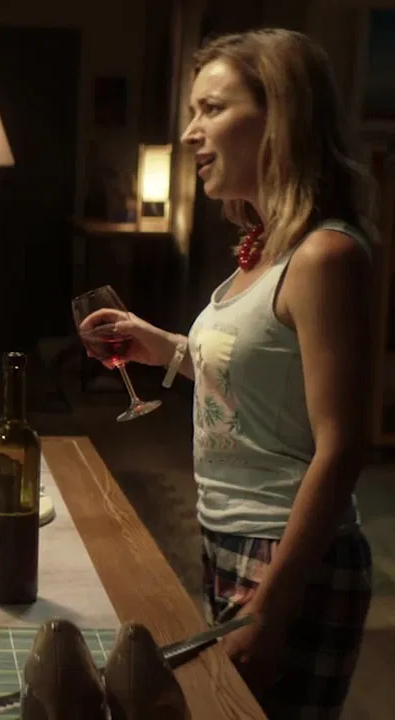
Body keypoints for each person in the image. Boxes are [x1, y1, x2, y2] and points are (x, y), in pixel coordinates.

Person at [84, 29, 378, 719]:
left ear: (281, 117)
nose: (190, 132)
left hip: (291, 554)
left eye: (212, 109)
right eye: (193, 111)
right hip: (229, 537)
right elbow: (259, 382)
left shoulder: (326, 256)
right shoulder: (265, 248)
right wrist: (163, 347)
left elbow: (344, 447)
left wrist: (270, 607)